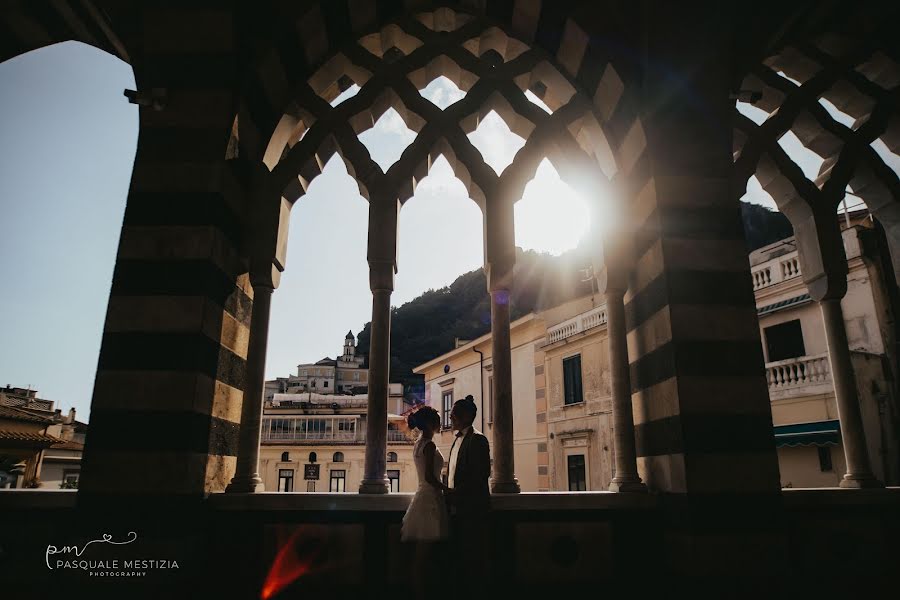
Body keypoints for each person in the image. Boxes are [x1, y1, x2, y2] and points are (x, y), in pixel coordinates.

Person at [401, 405, 449, 599]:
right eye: (437, 419)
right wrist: (449, 489)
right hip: (430, 499)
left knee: (422, 557)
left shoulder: (419, 443)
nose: (440, 422)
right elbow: (430, 477)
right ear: (430, 423)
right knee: (423, 557)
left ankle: (420, 591)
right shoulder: (428, 445)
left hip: (424, 497)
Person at [444, 395, 492, 588]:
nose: (451, 417)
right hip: (458, 509)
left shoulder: (478, 440)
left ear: (465, 416)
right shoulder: (457, 441)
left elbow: (481, 475)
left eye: (454, 413)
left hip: (472, 510)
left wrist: (455, 493)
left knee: (473, 559)